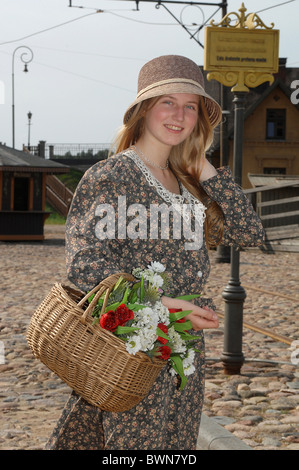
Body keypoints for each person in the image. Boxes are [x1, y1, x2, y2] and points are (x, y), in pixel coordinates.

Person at [45, 55, 265, 450]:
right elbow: (85, 268)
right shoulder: (111, 176)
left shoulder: (189, 183)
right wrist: (165, 304)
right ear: (144, 110)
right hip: (131, 350)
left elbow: (249, 233)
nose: (179, 115)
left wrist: (207, 171)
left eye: (191, 106)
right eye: (167, 102)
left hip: (185, 356)